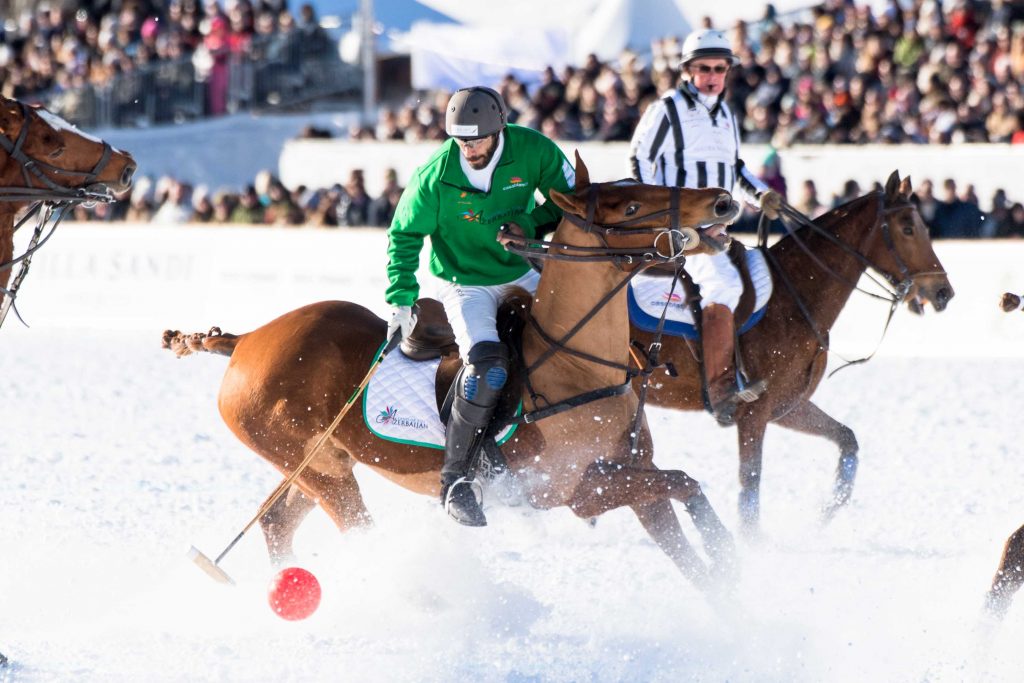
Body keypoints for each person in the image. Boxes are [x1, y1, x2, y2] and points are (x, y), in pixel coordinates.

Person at [385, 86, 575, 526]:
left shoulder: (534, 150)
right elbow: (403, 235)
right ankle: (456, 480)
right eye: (460, 140)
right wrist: (400, 297)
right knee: (488, 366)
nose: (469, 148)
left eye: (477, 139)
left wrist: (530, 223)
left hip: (522, 268)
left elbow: (572, 202)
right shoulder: (435, 174)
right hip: (462, 281)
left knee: (574, 337)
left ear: (499, 129)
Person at [628, 28, 782, 426]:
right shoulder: (667, 108)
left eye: (719, 68)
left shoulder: (727, 114)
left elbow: (735, 168)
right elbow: (640, 160)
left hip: (718, 229)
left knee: (762, 277)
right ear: (687, 71)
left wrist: (761, 194)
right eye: (703, 68)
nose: (712, 75)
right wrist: (665, 217)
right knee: (725, 286)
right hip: (682, 231)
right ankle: (720, 389)